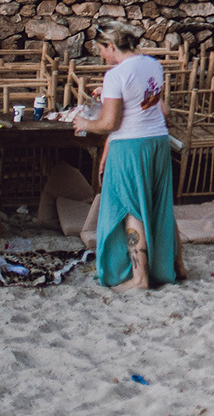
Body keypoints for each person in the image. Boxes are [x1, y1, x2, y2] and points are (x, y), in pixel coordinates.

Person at [72, 19, 180, 292]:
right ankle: (177, 267)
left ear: (110, 45)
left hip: (130, 147)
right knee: (158, 204)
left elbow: (109, 124)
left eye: (100, 49)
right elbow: (161, 109)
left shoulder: (115, 75)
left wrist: (84, 123)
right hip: (157, 141)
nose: (100, 55)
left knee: (132, 210)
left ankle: (140, 278)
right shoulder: (153, 65)